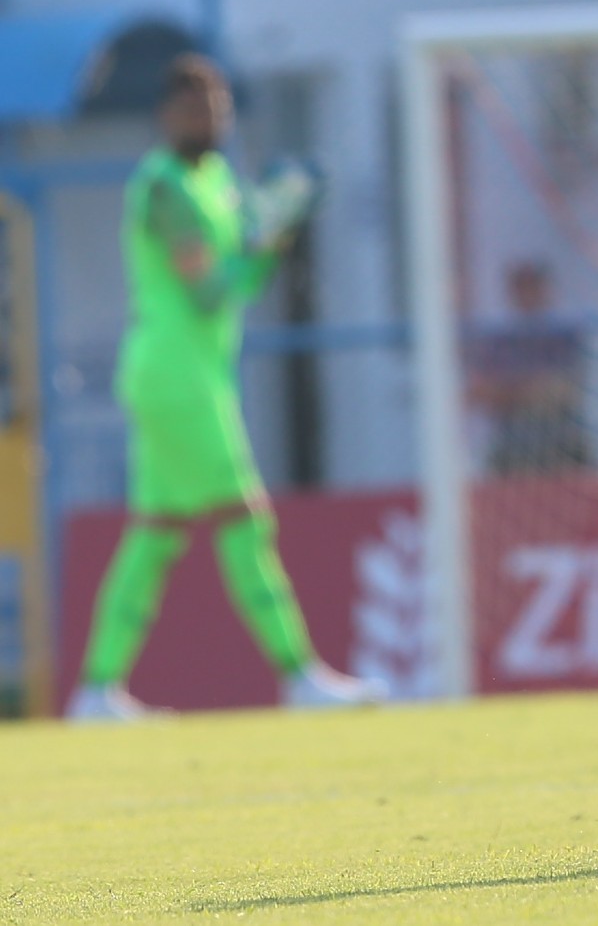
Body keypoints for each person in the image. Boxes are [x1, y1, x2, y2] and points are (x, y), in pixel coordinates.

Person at [66, 56, 383, 720]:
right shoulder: (164, 186)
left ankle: (96, 690)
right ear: (165, 117)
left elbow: (241, 273)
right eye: (191, 110)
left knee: (155, 533)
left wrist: (272, 231)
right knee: (246, 520)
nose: (205, 120)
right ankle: (299, 675)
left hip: (191, 374)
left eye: (215, 109)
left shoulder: (216, 180)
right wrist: (265, 237)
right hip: (176, 376)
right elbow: (211, 291)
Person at [467, 260, 593, 476]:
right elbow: (478, 393)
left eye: (532, 286)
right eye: (520, 287)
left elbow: (561, 391)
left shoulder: (563, 336)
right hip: (512, 443)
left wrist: (507, 392)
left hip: (560, 439)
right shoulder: (501, 340)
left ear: (545, 290)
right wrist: (527, 390)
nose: (526, 295)